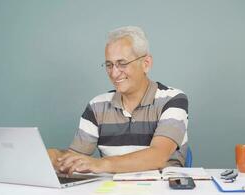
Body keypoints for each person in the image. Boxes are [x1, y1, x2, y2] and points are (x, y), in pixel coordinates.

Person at [48, 26, 189, 175]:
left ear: (146, 64)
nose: (114, 73)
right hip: (112, 192)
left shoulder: (173, 100)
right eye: (109, 65)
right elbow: (76, 158)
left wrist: (101, 164)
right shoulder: (96, 106)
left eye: (122, 63)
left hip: (162, 192)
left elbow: (158, 156)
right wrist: (56, 156)